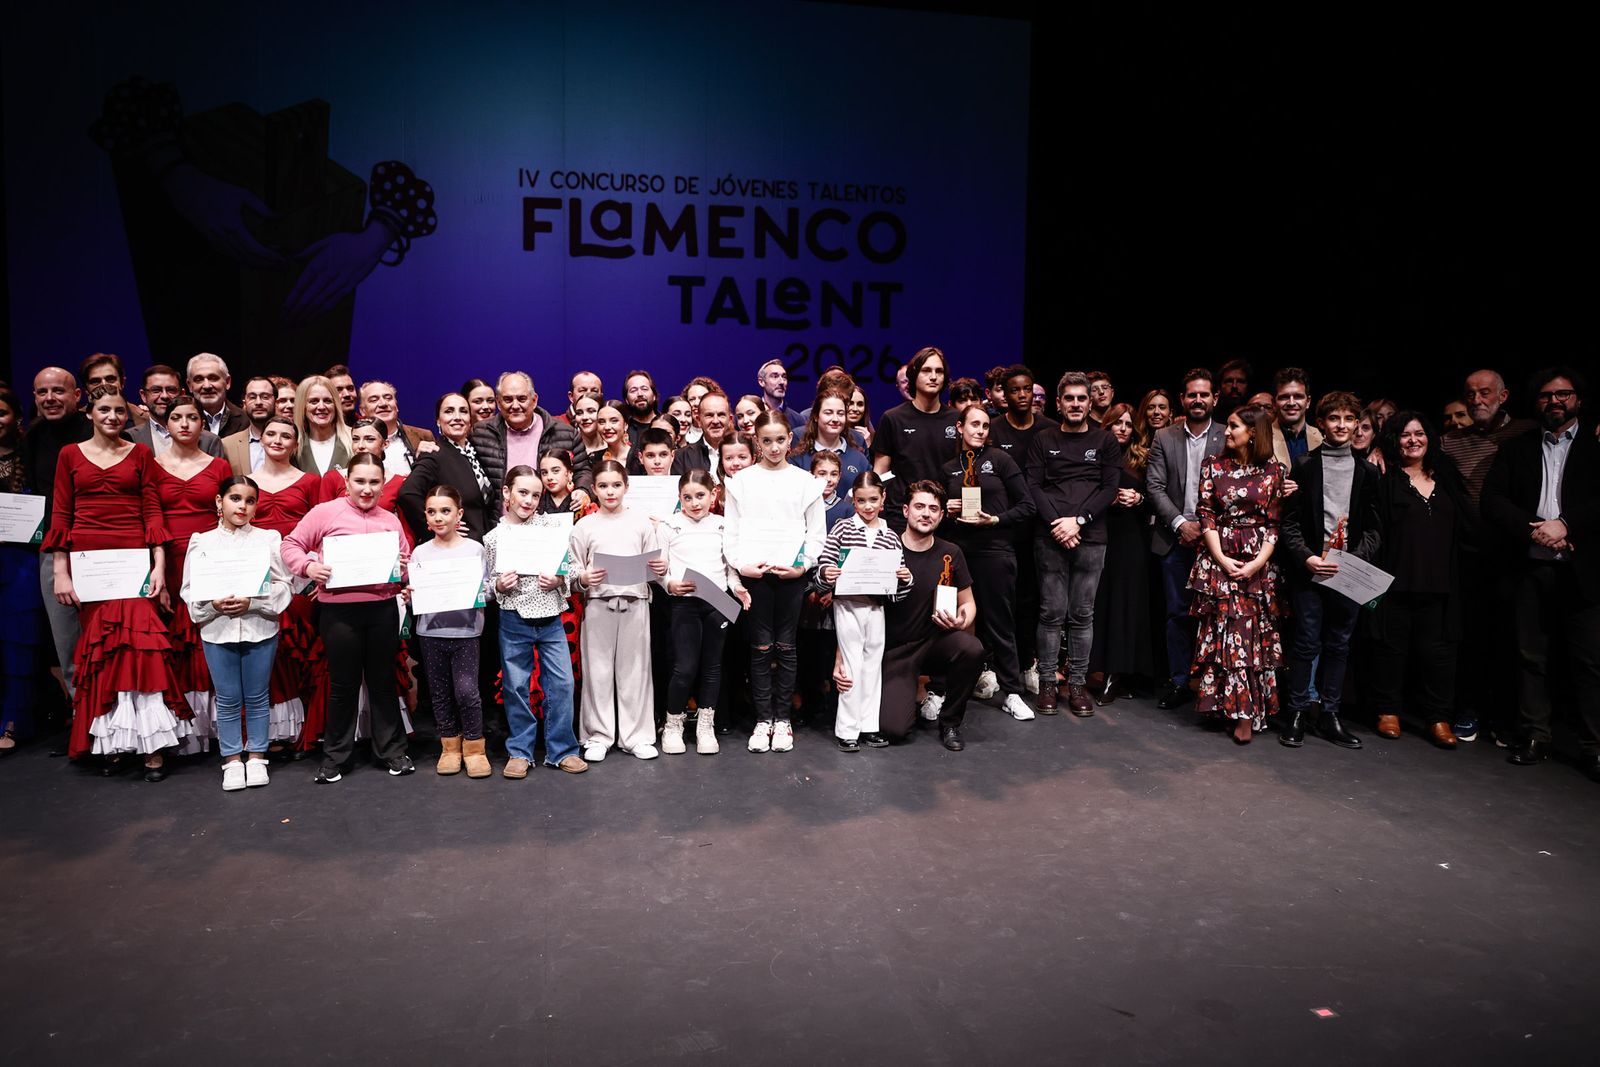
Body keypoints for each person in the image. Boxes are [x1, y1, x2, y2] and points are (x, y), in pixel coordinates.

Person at [46, 386, 189, 778]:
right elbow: (61, 511)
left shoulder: (141, 453)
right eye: (104, 410)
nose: (112, 417)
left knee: (142, 647)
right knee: (103, 649)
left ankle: (151, 745)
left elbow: (151, 509)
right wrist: (61, 570)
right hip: (90, 565)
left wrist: (159, 565)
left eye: (119, 411)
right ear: (90, 413)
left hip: (133, 560)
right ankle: (113, 741)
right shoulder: (69, 455)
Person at [1483, 368, 1600, 780]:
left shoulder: (1596, 444)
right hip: (1529, 567)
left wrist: (1567, 525)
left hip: (1582, 569)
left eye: (1563, 394)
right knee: (1530, 657)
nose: (1555, 401)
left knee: (1589, 662)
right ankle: (1535, 735)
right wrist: (1537, 528)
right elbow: (1493, 498)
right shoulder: (1517, 448)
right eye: (1547, 396)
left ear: (1578, 400)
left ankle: (1594, 746)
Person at [282, 453, 414, 783]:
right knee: (343, 685)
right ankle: (336, 756)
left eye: (373, 482)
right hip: (339, 611)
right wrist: (308, 567)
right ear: (347, 482)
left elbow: (406, 564)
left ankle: (393, 752)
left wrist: (404, 568)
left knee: (383, 683)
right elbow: (290, 545)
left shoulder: (390, 520)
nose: (366, 489)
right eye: (360, 481)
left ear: (383, 484)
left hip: (382, 608)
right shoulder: (325, 513)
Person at [1278, 392, 1382, 749]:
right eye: (1334, 419)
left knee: (1339, 643)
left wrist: (1353, 559)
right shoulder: (1305, 465)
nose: (1341, 426)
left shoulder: (1368, 472)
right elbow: (1288, 524)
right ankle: (1296, 711)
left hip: (1348, 571)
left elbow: (1374, 527)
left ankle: (1330, 714)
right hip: (1312, 569)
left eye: (1349, 419)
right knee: (1306, 642)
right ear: (1321, 423)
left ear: (1357, 425)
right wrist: (1306, 556)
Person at [1369, 413, 1475, 749]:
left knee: (1439, 655)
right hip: (1395, 581)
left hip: (1441, 582)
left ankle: (1438, 717)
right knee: (1391, 649)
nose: (1413, 440)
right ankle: (1388, 711)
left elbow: (1467, 526)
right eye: (1404, 435)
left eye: (1419, 433)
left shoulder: (1446, 476)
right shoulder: (1384, 476)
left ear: (1429, 437)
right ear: (1392, 440)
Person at [1439, 368, 1534, 743]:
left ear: (1503, 396)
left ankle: (1505, 717)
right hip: (1467, 551)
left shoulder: (1526, 433)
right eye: (1470, 394)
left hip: (1513, 549)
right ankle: (1469, 709)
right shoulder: (1450, 441)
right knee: (1470, 636)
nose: (1476, 401)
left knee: (1511, 638)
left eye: (1484, 393)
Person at [181, 476, 293, 790]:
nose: (242, 506)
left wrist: (254, 602)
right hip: (218, 630)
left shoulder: (268, 539)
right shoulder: (202, 541)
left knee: (258, 696)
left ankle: (257, 756)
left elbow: (285, 584)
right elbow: (189, 589)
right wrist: (212, 604)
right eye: (234, 498)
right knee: (228, 699)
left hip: (260, 628)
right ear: (219, 502)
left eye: (249, 500)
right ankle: (231, 759)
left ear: (257, 506)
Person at [725, 411, 827, 753]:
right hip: (755, 575)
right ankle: (762, 719)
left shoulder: (805, 483)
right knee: (759, 647)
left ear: (790, 440)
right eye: (766, 441)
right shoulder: (741, 482)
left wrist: (801, 566)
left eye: (780, 440)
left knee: (786, 645)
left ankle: (782, 720)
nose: (773, 447)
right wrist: (741, 565)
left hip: (791, 577)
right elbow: (733, 532)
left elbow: (816, 535)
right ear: (756, 441)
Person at [1187, 405, 1287, 744]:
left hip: (1258, 560)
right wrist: (1221, 558)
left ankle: (1244, 714)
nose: (1226, 432)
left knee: (1247, 636)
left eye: (1233, 427)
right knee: (1223, 634)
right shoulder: (1213, 467)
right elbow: (1206, 515)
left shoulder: (1274, 470)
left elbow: (1274, 523)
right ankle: (1226, 707)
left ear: (1253, 432)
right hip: (1219, 557)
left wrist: (1258, 563)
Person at [1025, 372, 1121, 714]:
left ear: (1090, 402)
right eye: (1070, 398)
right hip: (1050, 536)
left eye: (1082, 398)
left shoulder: (1106, 441)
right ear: (1059, 402)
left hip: (1091, 536)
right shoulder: (1043, 438)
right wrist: (1058, 524)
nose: (1076, 404)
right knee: (1051, 613)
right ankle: (1049, 684)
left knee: (1082, 614)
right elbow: (1033, 486)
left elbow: (1109, 488)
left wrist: (1078, 521)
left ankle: (1077, 684)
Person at [484, 464, 586, 779]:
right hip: (514, 619)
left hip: (552, 617)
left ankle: (562, 750)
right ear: (506, 493)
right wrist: (498, 587)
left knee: (562, 683)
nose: (528, 500)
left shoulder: (553, 529)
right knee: (516, 686)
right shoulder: (494, 537)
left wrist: (559, 580)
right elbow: (486, 586)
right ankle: (520, 751)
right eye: (522, 493)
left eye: (535, 495)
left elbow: (571, 568)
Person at [872, 481, 983, 750]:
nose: (926, 514)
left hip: (934, 642)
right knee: (894, 729)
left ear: (942, 515)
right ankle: (915, 695)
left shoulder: (951, 552)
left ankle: (950, 722)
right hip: (894, 651)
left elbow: (969, 604)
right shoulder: (885, 549)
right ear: (906, 510)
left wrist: (961, 619)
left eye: (934, 509)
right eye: (920, 506)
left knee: (971, 648)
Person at [151, 395, 235, 751]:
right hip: (168, 560)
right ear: (166, 424)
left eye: (192, 418)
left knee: (212, 634)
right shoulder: (151, 465)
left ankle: (218, 727)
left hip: (209, 557)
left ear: (203, 425)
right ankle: (186, 730)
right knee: (177, 642)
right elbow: (151, 518)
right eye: (176, 417)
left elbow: (232, 516)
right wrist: (158, 566)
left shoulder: (217, 467)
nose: (184, 424)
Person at [941, 404, 1035, 719]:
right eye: (974, 425)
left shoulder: (1001, 461)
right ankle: (941, 691)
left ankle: (1012, 692)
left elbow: (1026, 506)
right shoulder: (949, 468)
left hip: (996, 552)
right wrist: (947, 510)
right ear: (959, 427)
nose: (980, 431)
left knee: (1000, 624)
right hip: (959, 554)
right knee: (952, 624)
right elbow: (936, 521)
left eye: (985, 426)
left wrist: (994, 519)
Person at [570, 460, 667, 761]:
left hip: (636, 602)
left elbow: (654, 568)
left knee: (635, 672)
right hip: (598, 604)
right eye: (603, 486)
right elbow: (572, 570)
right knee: (597, 672)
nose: (610, 492)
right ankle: (598, 736)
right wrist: (583, 578)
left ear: (626, 486)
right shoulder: (584, 526)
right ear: (594, 489)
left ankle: (636, 735)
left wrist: (660, 569)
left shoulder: (640, 523)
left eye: (616, 485)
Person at [1146, 369, 1227, 710]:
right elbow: (1154, 487)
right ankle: (1179, 682)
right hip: (1175, 539)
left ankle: (1215, 688)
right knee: (1178, 613)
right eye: (1191, 394)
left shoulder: (1228, 435)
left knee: (1218, 616)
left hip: (1220, 542)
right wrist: (1181, 524)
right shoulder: (1165, 437)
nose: (1197, 400)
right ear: (1183, 399)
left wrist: (1208, 530)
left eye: (1204, 394)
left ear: (1215, 398)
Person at [815, 470, 913, 751]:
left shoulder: (890, 536)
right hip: (847, 605)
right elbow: (824, 569)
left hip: (876, 607)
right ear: (853, 502)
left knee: (872, 666)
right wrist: (828, 574)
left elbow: (897, 589)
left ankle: (869, 726)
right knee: (851, 665)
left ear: (883, 499)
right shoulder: (843, 528)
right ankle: (847, 729)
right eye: (861, 501)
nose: (867, 506)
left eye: (873, 499)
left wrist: (905, 579)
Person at [244, 418, 327, 752]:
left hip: (301, 580)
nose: (278, 440)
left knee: (302, 653)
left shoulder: (310, 481)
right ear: (261, 440)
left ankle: (305, 726)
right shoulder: (246, 483)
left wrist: (316, 574)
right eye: (271, 434)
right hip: (260, 578)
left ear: (296, 444)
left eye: (286, 436)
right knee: (271, 654)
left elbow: (321, 530)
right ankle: (275, 730)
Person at [659, 470, 750, 754]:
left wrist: (737, 588)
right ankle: (673, 724)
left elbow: (730, 567)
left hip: (717, 602)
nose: (695, 502)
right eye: (687, 497)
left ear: (714, 495)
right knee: (684, 667)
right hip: (684, 602)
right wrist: (670, 584)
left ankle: (706, 725)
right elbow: (660, 567)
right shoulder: (668, 525)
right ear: (679, 498)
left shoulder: (722, 525)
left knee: (713, 667)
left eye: (700, 495)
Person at [409, 484, 491, 778]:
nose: (438, 517)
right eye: (432, 512)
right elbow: (415, 591)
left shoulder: (475, 550)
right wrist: (411, 596)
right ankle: (449, 747)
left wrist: (480, 591)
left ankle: (474, 747)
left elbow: (489, 589)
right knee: (440, 693)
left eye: (445, 511)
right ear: (426, 517)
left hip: (466, 632)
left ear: (459, 514)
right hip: (431, 633)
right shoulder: (420, 553)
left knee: (467, 692)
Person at [23, 367, 92, 699]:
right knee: (65, 640)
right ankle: (82, 719)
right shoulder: (33, 437)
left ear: (76, 396)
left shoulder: (96, 431)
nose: (49, 398)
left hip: (100, 548)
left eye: (58, 391)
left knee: (103, 636)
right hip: (53, 549)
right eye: (41, 392)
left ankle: (114, 725)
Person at [1086, 403, 1154, 705]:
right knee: (1100, 602)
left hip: (1131, 539)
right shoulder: (1094, 456)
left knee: (1126, 604)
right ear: (1107, 426)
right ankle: (1095, 669)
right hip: (1100, 534)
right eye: (1117, 423)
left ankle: (1119, 673)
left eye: (1128, 424)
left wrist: (1139, 498)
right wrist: (1105, 499)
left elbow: (1159, 496)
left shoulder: (1143, 459)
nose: (1123, 428)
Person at [470, 371, 592, 508]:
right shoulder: (480, 433)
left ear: (534, 400)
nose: (515, 405)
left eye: (522, 399)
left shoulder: (566, 433)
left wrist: (583, 490)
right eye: (508, 399)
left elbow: (583, 471)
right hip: (500, 524)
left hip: (549, 522)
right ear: (498, 403)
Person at [0, 388, 45, 752]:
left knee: (21, 643)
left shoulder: (30, 452)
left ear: (16, 416)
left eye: (1, 412)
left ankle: (16, 721)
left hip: (22, 561)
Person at [873, 346, 958, 532]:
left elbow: (965, 469)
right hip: (900, 516)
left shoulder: (957, 419)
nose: (933, 376)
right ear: (913, 375)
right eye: (926, 370)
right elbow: (880, 471)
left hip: (943, 516)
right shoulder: (893, 418)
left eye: (939, 371)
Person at [398, 392, 497, 543]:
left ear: (470, 418)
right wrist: (436, 527)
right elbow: (407, 494)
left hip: (482, 545)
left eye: (463, 411)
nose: (457, 417)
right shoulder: (434, 454)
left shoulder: (474, 452)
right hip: (455, 549)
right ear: (438, 420)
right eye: (449, 411)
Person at [127, 364, 224, 458]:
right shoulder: (131, 438)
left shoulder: (209, 441)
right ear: (143, 395)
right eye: (156, 390)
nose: (164, 396)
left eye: (171, 390)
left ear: (182, 394)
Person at [321, 417, 408, 519]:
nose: (360, 445)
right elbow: (322, 520)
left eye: (369, 439)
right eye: (355, 439)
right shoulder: (333, 478)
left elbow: (405, 530)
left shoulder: (398, 483)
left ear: (385, 444)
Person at [790, 387, 870, 485]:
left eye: (840, 414)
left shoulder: (859, 459)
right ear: (815, 416)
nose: (835, 419)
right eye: (828, 413)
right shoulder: (798, 458)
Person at [359, 380, 437, 479]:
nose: (383, 403)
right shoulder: (354, 441)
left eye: (388, 398)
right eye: (374, 400)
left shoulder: (423, 436)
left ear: (396, 406)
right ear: (362, 411)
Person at [292, 375, 353, 476]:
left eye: (328, 401)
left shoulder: (355, 440)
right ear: (303, 406)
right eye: (314, 401)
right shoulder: (292, 446)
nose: (321, 407)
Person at [220, 376, 278, 474]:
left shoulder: (292, 441)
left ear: (275, 402)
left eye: (265, 397)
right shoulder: (227, 445)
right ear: (245, 403)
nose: (258, 402)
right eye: (252, 397)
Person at [672, 390, 734, 478]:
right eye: (709, 415)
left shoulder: (744, 454)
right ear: (699, 420)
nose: (715, 421)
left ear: (730, 420)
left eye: (721, 415)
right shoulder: (681, 457)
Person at [187, 352, 249, 438]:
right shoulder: (181, 422)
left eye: (213, 378)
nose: (207, 386)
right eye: (199, 379)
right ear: (190, 385)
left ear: (227, 382)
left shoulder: (246, 421)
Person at [1269, 367, 1322, 467]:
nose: (1291, 403)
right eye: (1284, 397)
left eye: (1298, 396)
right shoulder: (1261, 438)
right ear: (1273, 403)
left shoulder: (1321, 438)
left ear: (1308, 402)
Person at [756, 358, 805, 430]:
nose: (782, 382)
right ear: (761, 382)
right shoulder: (752, 415)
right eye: (775, 376)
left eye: (784, 377)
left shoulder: (798, 420)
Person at [620, 370, 659, 449]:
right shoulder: (621, 429)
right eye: (633, 390)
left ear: (654, 395)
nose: (640, 394)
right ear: (627, 400)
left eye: (644, 389)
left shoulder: (666, 424)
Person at [845, 386, 873, 451]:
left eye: (860, 404)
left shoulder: (870, 435)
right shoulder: (834, 434)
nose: (855, 409)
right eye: (850, 403)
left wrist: (868, 446)